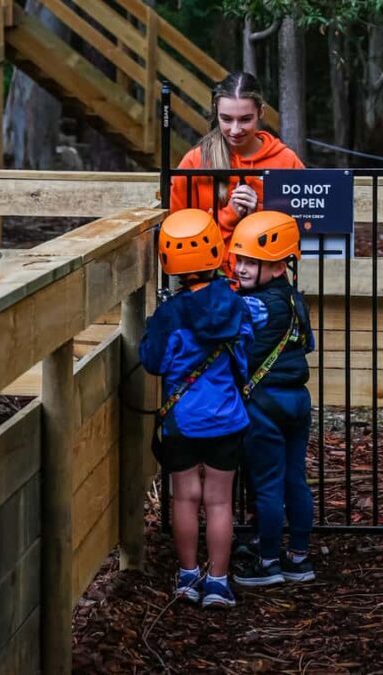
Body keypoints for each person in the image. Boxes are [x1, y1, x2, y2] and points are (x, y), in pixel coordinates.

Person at [139, 208, 253, 608]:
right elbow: (245, 357)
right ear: (215, 249)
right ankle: (218, 582)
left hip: (182, 420)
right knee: (220, 501)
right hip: (226, 417)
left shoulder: (170, 315)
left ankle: (188, 577)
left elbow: (153, 362)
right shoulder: (235, 305)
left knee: (185, 497)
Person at [228, 210, 316, 586]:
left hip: (264, 402)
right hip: (298, 399)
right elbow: (307, 344)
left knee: (266, 483)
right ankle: (299, 557)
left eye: (254, 262)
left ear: (279, 267)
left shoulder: (252, 305)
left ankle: (266, 563)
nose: (243, 269)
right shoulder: (296, 301)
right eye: (241, 259)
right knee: (295, 479)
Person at [170, 71, 304, 276]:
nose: (235, 130)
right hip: (207, 281)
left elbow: (300, 230)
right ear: (216, 112)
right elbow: (177, 235)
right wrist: (230, 214)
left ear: (261, 112)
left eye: (245, 119)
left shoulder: (285, 160)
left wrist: (257, 212)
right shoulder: (195, 162)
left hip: (265, 286)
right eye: (226, 119)